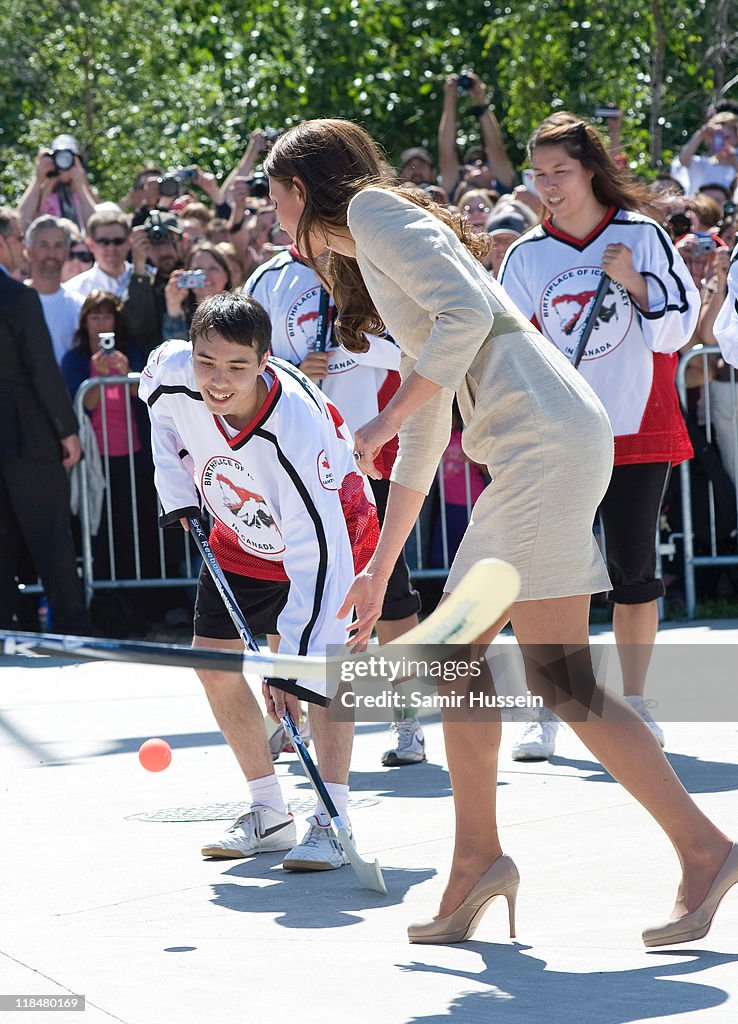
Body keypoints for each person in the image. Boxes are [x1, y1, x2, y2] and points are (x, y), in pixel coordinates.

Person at [263, 118, 737, 947]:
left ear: (301, 189)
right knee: (561, 681)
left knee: (456, 656)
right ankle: (691, 850)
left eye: (272, 201)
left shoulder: (374, 211)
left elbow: (459, 326)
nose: (271, 221)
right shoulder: (367, 242)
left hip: (542, 446)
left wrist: (381, 417)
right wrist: (378, 567)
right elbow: (428, 420)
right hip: (549, 441)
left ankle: (485, 860)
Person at [138, 291, 379, 870]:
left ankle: (334, 817)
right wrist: (177, 496)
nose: (218, 382)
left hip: (332, 536)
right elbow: (159, 407)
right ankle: (268, 812)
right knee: (211, 661)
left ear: (265, 360)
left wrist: (288, 665)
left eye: (237, 367)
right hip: (238, 529)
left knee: (318, 674)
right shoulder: (175, 370)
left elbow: (316, 554)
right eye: (207, 363)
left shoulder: (292, 431)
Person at [499, 114, 700, 756]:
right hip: (556, 439)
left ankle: (635, 705)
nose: (549, 184)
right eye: (539, 174)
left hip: (636, 426)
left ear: (590, 168)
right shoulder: (527, 254)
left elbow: (679, 329)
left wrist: (635, 283)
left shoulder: (642, 237)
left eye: (561, 170)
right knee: (546, 577)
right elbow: (508, 350)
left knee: (633, 571)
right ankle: (552, 708)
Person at [245, 245, 424, 767]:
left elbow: (419, 349)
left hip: (366, 449)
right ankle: (287, 715)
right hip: (295, 454)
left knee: (389, 585)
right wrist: (294, 372)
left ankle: (407, 718)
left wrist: (360, 346)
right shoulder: (269, 277)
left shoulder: (373, 261)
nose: (281, 213)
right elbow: (248, 368)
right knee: (289, 584)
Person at [0, 208, 89, 634]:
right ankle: (73, 629)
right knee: (53, 538)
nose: (20, 246)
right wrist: (67, 430)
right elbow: (41, 370)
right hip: (28, 437)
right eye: (17, 238)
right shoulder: (17, 297)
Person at [25, 215, 84, 365]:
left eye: (58, 245)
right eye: (44, 245)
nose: (51, 253)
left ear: (66, 251)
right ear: (29, 251)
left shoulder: (80, 306)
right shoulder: (11, 301)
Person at [162, 242, 232, 341]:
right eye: (198, 270)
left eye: (213, 269)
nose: (205, 276)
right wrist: (173, 306)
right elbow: (175, 351)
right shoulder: (182, 316)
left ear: (226, 275)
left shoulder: (239, 314)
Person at [64, 209, 132, 299]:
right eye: (104, 242)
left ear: (129, 242)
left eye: (118, 241)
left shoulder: (150, 278)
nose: (111, 248)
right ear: (91, 245)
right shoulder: (73, 291)